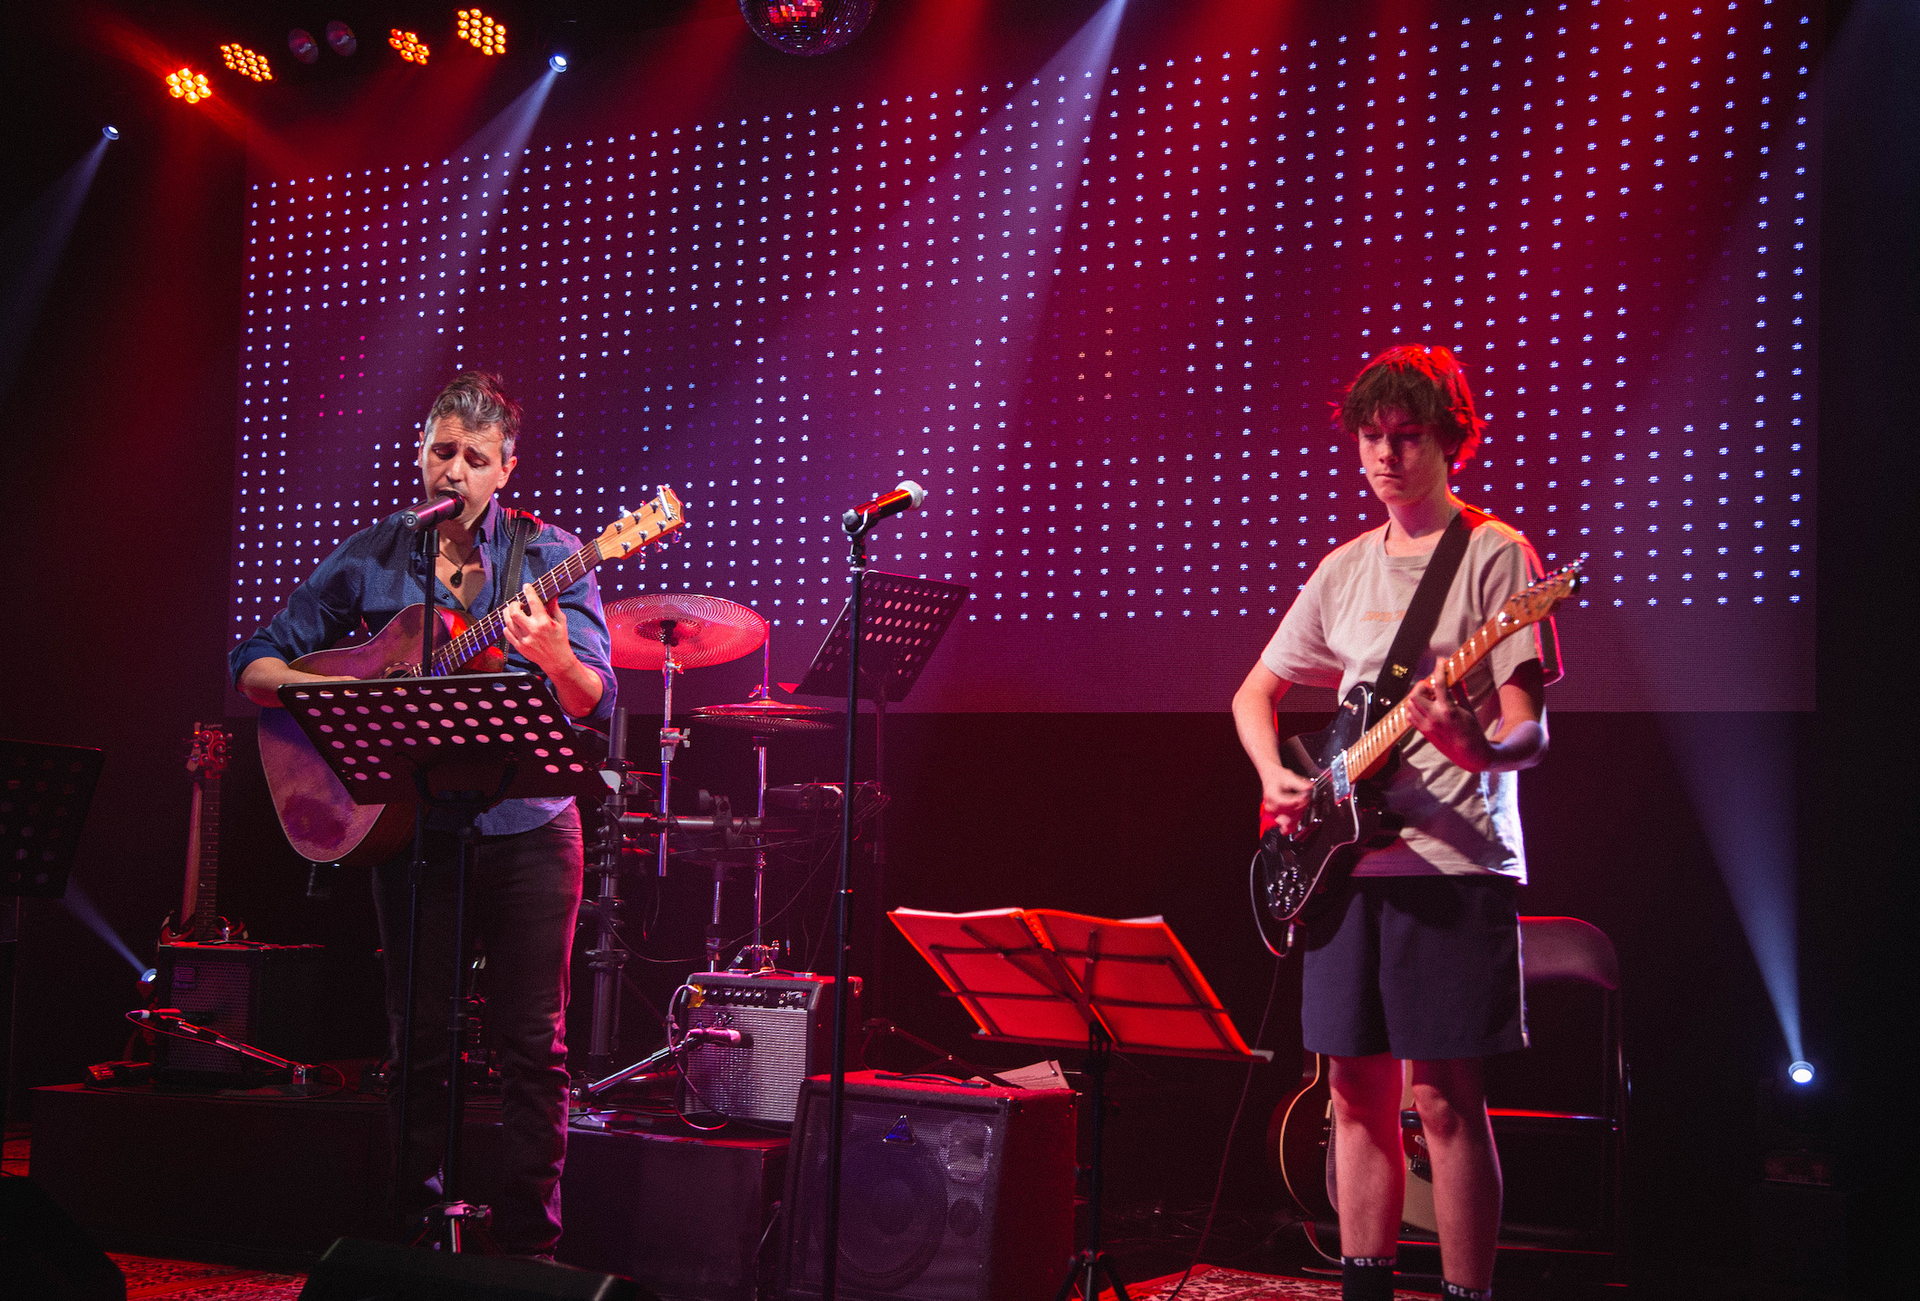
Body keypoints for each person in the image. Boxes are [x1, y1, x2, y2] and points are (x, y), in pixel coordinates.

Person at [230, 371, 616, 1257]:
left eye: (475, 458)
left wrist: (556, 656)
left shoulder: (551, 554)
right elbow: (256, 661)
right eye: (442, 451)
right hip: (416, 828)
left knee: (533, 1045)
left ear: (505, 470)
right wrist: (332, 697)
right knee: (420, 1043)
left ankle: (528, 1246)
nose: (454, 471)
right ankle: (412, 1235)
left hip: (530, 822)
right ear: (419, 452)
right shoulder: (370, 555)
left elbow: (591, 695)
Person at [1231, 345, 1561, 1301]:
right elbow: (1256, 694)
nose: (1383, 456)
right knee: (1351, 1096)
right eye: (1370, 439)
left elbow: (1528, 727)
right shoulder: (1341, 568)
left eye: (1404, 438)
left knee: (1445, 1103)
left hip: (1451, 869)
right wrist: (1275, 778)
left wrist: (1478, 751)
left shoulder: (1500, 554)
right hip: (1345, 872)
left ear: (1450, 440)